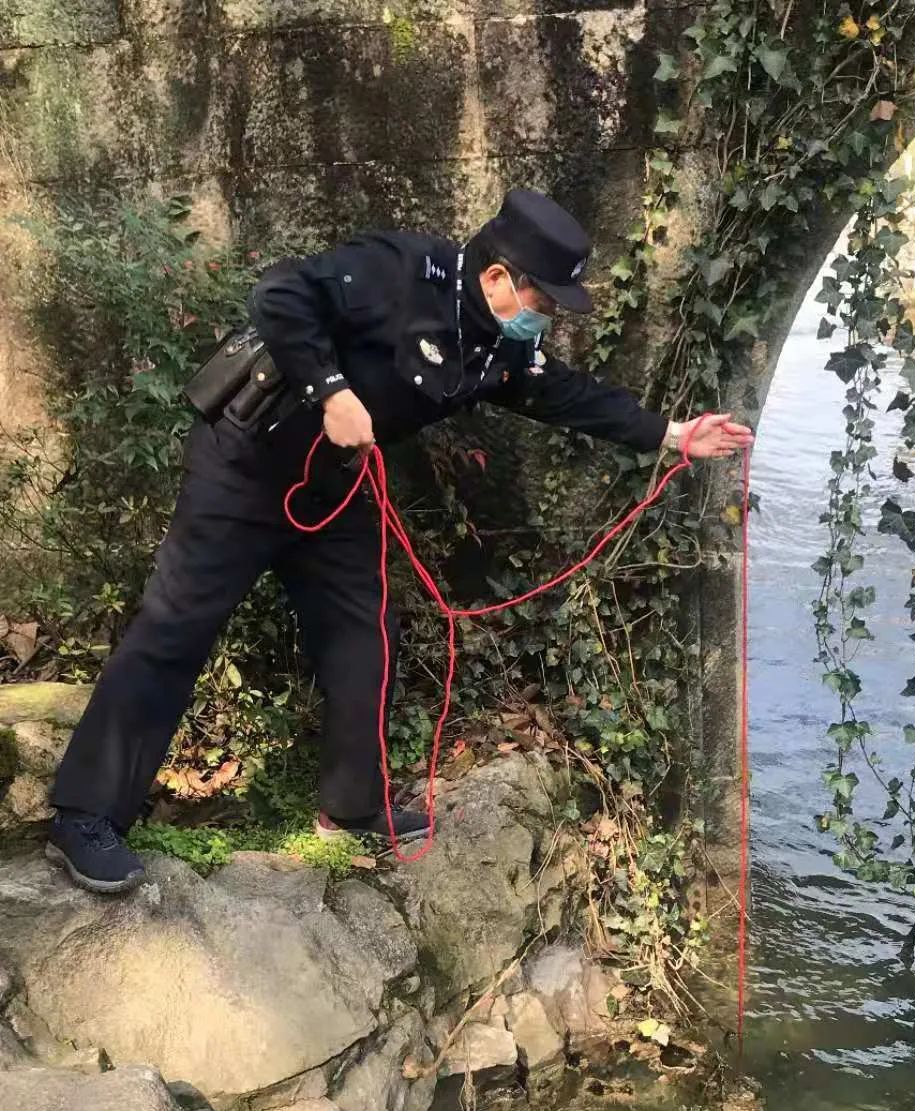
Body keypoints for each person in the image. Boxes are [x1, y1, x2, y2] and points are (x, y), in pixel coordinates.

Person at [46, 188, 752, 894]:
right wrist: (332, 391)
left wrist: (672, 435)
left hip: (338, 489)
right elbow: (281, 293)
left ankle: (351, 805)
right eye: (545, 302)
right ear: (500, 278)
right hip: (246, 468)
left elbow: (562, 394)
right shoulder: (400, 270)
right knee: (176, 629)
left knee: (367, 634)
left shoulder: (496, 347)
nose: (549, 319)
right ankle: (86, 814)